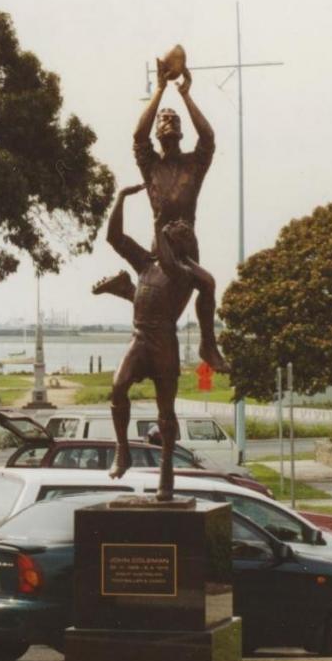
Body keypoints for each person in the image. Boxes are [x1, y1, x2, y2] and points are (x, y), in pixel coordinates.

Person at [99, 182, 215, 500]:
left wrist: (160, 221)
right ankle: (122, 450)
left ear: (183, 243)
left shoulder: (182, 273)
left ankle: (166, 472)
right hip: (139, 339)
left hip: (164, 343)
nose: (171, 227)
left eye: (178, 229)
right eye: (169, 226)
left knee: (166, 413)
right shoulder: (145, 264)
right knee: (118, 386)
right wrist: (120, 200)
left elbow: (166, 258)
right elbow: (115, 238)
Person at [131, 63, 226, 372]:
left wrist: (185, 94)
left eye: (174, 120)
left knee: (204, 287)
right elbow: (137, 135)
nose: (168, 123)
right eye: (163, 120)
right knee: (161, 312)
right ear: (158, 132)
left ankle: (207, 344)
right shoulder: (151, 167)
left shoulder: (193, 166)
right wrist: (159, 89)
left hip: (187, 251)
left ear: (181, 131)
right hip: (162, 252)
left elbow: (209, 138)